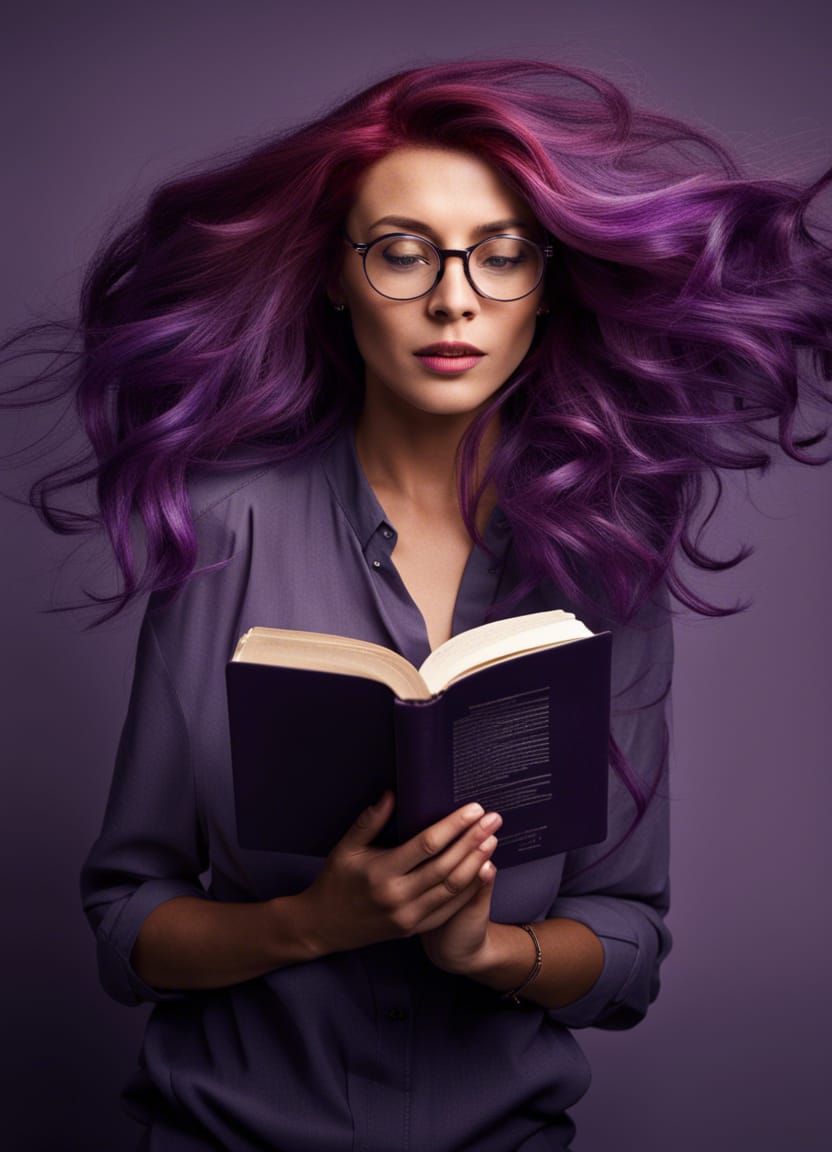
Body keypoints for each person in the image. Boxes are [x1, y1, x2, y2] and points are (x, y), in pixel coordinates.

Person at [3, 57, 830, 1152]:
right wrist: (311, 925)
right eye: (403, 253)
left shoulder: (598, 562)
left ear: (549, 282)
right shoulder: (226, 530)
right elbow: (128, 920)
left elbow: (625, 939)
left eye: (501, 257)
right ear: (338, 278)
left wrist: (490, 953)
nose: (454, 298)